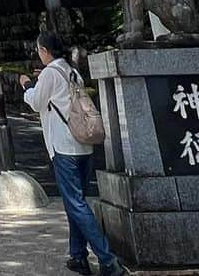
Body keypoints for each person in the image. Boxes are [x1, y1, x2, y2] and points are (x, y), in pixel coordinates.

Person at [20, 31, 125, 276]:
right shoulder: (71, 71)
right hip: (83, 145)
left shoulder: (48, 74)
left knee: (76, 204)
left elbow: (36, 102)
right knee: (74, 202)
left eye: (39, 50)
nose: (38, 53)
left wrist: (27, 85)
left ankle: (108, 260)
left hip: (63, 147)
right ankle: (78, 256)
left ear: (45, 51)